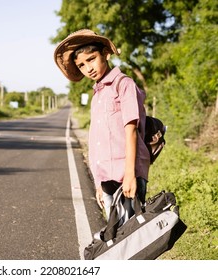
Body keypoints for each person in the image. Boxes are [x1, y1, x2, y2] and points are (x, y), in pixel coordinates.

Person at [54, 29, 150, 221]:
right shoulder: (97, 95)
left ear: (105, 54)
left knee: (131, 237)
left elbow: (131, 132)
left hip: (126, 173)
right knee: (117, 236)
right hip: (106, 178)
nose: (88, 68)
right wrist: (98, 184)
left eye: (91, 59)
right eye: (81, 65)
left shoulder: (123, 84)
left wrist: (130, 175)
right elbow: (98, 142)